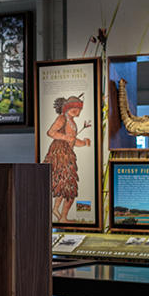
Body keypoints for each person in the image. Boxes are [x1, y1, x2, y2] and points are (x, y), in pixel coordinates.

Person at [44, 95, 90, 223]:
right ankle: (62, 217)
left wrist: (84, 142)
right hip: (59, 155)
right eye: (76, 109)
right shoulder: (62, 118)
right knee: (68, 186)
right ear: (69, 108)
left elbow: (73, 140)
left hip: (67, 154)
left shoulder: (72, 122)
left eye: (79, 109)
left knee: (65, 186)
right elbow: (51, 132)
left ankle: (58, 211)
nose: (78, 112)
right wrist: (66, 137)